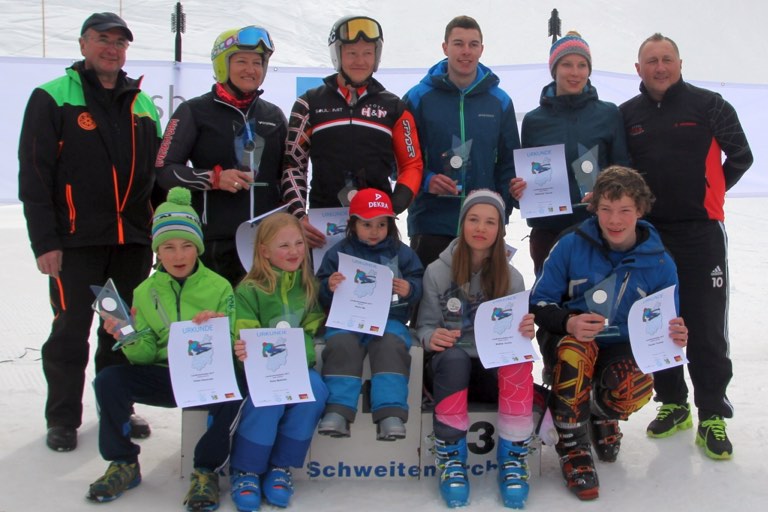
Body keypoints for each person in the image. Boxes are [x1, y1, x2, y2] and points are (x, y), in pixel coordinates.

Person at [18, 11, 161, 452]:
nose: (111, 49)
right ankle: (63, 417)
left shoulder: (142, 103)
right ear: (83, 44)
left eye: (120, 43)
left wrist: (158, 233)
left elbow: (154, 178)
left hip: (130, 243)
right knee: (70, 330)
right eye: (103, 39)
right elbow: (35, 175)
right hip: (76, 244)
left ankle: (116, 408)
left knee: (121, 332)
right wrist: (45, 242)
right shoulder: (52, 97)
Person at [620, 33, 753, 460]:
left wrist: (712, 192)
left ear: (680, 63)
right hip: (650, 235)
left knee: (705, 323)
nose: (660, 67)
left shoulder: (710, 105)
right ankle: (674, 403)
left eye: (667, 59)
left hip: (701, 233)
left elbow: (742, 155)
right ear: (638, 69)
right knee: (658, 321)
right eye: (651, 61)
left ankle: (712, 412)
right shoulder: (627, 115)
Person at [529, 166, 689, 500]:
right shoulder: (570, 244)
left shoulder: (660, 261)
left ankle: (598, 413)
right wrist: (568, 321)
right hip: (570, 340)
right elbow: (538, 303)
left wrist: (674, 334)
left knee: (634, 385)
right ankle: (572, 444)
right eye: (606, 209)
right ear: (594, 208)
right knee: (575, 352)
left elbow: (665, 323)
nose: (615, 220)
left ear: (640, 210)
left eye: (624, 210)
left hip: (621, 345)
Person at [86, 187, 242, 511]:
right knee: (109, 380)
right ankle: (123, 463)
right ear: (158, 250)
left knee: (237, 388)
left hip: (205, 377)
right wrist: (128, 336)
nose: (178, 255)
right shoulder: (145, 291)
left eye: (187, 246)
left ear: (198, 248)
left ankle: (206, 470)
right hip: (165, 376)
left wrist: (217, 328)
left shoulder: (220, 287)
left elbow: (231, 342)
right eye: (169, 247)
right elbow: (144, 354)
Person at [416, 189, 535, 509]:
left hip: (489, 369)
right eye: (473, 219)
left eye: (490, 222)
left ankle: (513, 459)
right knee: (454, 359)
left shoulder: (512, 277)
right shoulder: (437, 271)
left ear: (500, 230)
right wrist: (431, 337)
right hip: (449, 370)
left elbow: (516, 338)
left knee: (518, 363)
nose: (481, 228)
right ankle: (452, 458)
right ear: (462, 224)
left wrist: (526, 331)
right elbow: (423, 326)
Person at [156, 25, 286, 286]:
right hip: (214, 244)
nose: (251, 69)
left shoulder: (273, 115)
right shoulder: (194, 111)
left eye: (257, 63)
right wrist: (213, 179)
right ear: (222, 65)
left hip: (266, 246)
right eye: (241, 61)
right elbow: (164, 170)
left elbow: (288, 173)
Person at [281, 15, 423, 248]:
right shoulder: (309, 103)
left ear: (376, 56)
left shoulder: (395, 107)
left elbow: (412, 165)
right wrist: (298, 215)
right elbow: (294, 165)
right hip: (322, 228)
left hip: (377, 226)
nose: (360, 61)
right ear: (337, 55)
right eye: (352, 53)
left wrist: (393, 207)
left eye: (367, 53)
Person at [228, 212, 329, 511]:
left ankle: (280, 466)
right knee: (268, 399)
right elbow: (243, 330)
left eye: (299, 243)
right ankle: (246, 469)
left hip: (296, 367)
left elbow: (312, 324)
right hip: (260, 370)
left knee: (315, 392)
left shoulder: (308, 285)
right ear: (264, 251)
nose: (294, 251)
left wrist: (302, 349)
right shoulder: (249, 290)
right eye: (284, 245)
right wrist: (245, 348)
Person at [403, 15, 520, 268]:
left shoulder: (499, 101)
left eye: (473, 44)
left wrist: (501, 212)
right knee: (431, 292)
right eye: (458, 43)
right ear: (445, 47)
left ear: (481, 49)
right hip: (432, 222)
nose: (466, 51)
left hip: (483, 225)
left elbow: (510, 163)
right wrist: (426, 180)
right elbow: (399, 158)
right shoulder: (418, 98)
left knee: (484, 293)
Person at [510, 31, 630, 276]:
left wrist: (606, 194)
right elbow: (526, 175)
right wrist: (518, 191)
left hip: (598, 229)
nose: (575, 72)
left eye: (582, 65)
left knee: (597, 297)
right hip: (548, 232)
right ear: (554, 69)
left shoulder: (608, 114)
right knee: (550, 298)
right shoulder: (534, 121)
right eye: (567, 64)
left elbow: (624, 171)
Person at [315, 188, 423, 440]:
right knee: (341, 344)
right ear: (353, 224)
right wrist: (328, 286)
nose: (374, 231)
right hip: (347, 320)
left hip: (389, 320)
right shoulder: (338, 252)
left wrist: (409, 289)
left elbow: (419, 280)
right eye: (366, 224)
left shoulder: (402, 252)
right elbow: (319, 287)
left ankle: (390, 413)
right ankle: (338, 411)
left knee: (391, 346)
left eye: (381, 224)